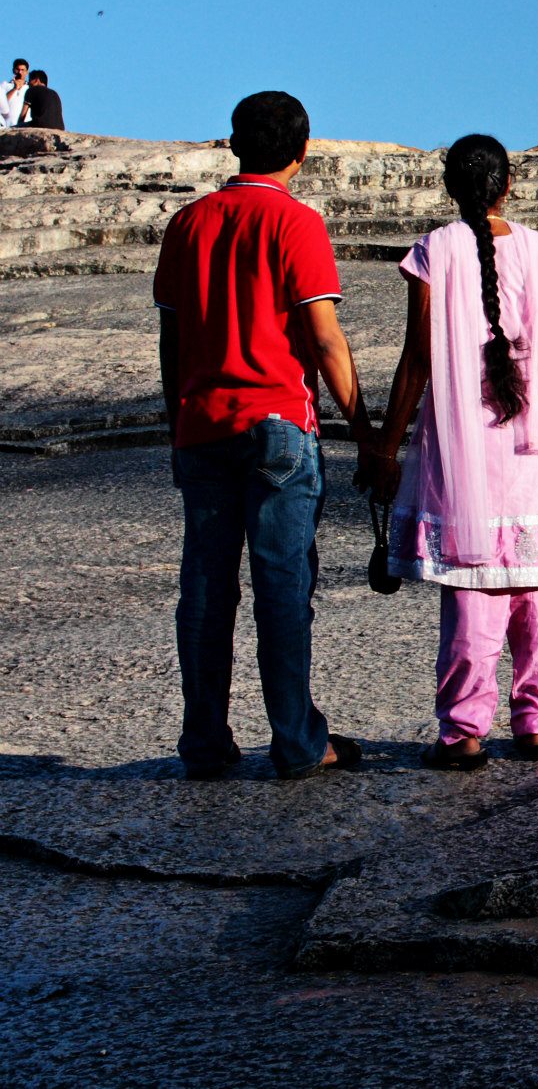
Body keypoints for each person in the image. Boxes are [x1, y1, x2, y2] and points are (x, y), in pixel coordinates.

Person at [366, 134, 538, 770]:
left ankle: (463, 733)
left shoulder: (434, 249)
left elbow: (417, 360)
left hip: (468, 450)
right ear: (508, 185)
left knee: (472, 592)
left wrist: (386, 446)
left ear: (449, 186)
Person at [152, 91, 374, 780]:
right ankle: (297, 741)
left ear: (233, 144)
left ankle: (204, 741)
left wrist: (178, 422)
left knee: (206, 586)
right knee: (282, 585)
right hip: (278, 423)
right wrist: (366, 432)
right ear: (303, 152)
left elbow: (171, 338)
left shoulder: (188, 222)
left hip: (202, 425)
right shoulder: (295, 221)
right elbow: (325, 339)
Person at [1, 59, 27, 127]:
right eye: (17, 69)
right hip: (7, 126)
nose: (20, 72)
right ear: (13, 70)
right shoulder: (5, 85)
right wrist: (14, 89)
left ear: (27, 72)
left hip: (25, 126)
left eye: (22, 70)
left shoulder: (30, 88)